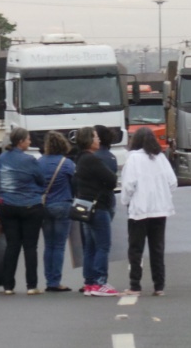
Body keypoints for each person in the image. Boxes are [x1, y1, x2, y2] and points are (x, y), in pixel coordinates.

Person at [120, 127, 177, 296]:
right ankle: (159, 286)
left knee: (136, 248)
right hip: (160, 209)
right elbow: (172, 182)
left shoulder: (133, 159)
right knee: (157, 248)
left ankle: (135, 285)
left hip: (140, 209)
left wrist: (126, 202)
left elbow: (129, 185)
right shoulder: (160, 158)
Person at [0, 127, 47, 295]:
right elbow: (41, 180)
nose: (30, 141)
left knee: (12, 245)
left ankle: (8, 286)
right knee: (30, 247)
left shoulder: (3, 157)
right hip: (30, 205)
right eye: (28, 139)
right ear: (21, 141)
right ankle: (31, 285)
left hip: (7, 205)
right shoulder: (30, 160)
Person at [73, 126, 119, 296]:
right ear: (89, 141)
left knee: (90, 247)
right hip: (99, 206)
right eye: (95, 137)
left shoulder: (80, 159)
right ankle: (100, 282)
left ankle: (90, 282)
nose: (98, 140)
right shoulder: (92, 160)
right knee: (103, 245)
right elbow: (112, 179)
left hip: (85, 205)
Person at [39, 132, 76, 292]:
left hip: (44, 206)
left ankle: (49, 281)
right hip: (63, 204)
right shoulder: (67, 163)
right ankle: (56, 281)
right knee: (59, 245)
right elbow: (75, 183)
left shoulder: (39, 162)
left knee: (49, 245)